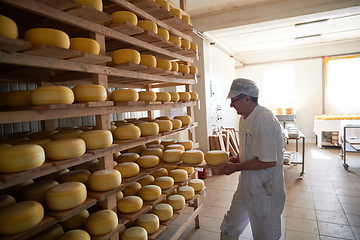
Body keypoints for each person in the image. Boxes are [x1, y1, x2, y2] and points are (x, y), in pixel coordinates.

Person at [218, 78, 286, 240]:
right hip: (247, 184)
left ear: (247, 98)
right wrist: (238, 159)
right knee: (231, 224)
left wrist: (237, 168)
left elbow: (268, 161)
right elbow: (253, 151)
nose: (231, 105)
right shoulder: (245, 118)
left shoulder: (263, 119)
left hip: (265, 189)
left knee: (265, 234)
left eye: (233, 100)